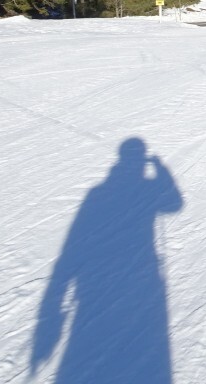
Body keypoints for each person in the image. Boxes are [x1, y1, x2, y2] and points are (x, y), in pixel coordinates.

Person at [31, 137, 183, 383]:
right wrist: (161, 170)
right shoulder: (146, 188)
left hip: (97, 278)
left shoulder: (98, 193)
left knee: (97, 337)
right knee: (137, 334)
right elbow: (175, 203)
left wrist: (58, 295)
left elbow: (75, 241)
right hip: (139, 274)